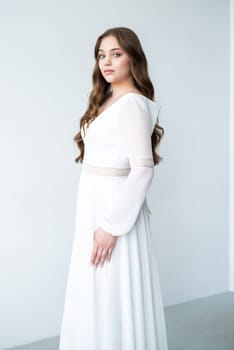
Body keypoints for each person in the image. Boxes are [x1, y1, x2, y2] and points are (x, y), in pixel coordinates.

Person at [59, 27, 168, 350]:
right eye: (101, 55)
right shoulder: (106, 100)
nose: (106, 62)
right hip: (93, 201)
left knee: (112, 285)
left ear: (133, 57)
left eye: (116, 54)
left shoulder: (133, 104)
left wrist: (111, 226)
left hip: (115, 207)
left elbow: (143, 170)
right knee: (95, 287)